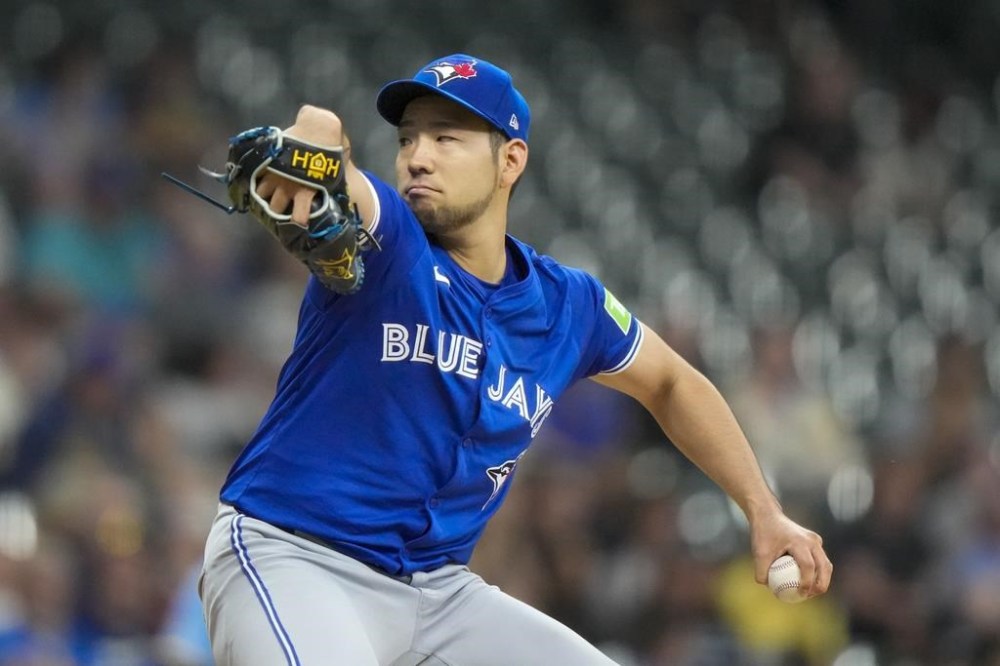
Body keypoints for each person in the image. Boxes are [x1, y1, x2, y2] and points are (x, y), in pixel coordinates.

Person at [197, 53, 833, 665]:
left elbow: (670, 381)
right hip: (296, 558)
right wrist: (312, 145)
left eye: (447, 139)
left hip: (438, 593)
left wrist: (763, 510)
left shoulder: (567, 304)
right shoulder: (389, 242)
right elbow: (323, 139)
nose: (418, 157)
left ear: (511, 159)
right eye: (408, 140)